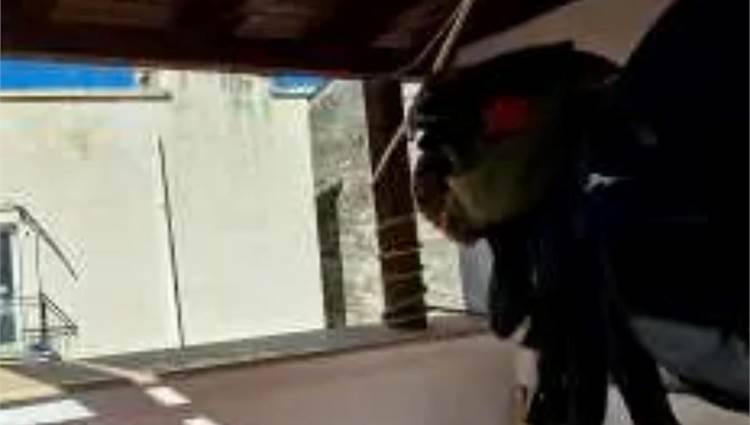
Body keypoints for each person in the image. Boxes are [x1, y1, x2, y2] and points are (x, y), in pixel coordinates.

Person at [410, 1, 748, 423]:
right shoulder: (511, 169)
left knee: (604, 361)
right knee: (617, 358)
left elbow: (507, 313)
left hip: (606, 243)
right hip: (614, 179)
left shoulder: (502, 204)